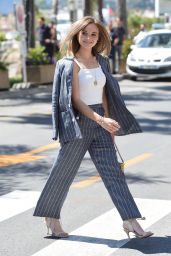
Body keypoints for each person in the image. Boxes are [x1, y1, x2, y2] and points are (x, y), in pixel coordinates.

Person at [33, 16, 153, 239]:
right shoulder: (69, 64)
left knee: (114, 174)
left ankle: (131, 221)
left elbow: (105, 95)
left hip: (101, 122)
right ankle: (51, 217)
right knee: (63, 174)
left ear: (99, 37)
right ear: (77, 35)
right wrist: (100, 119)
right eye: (84, 33)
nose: (88, 38)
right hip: (79, 123)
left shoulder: (102, 61)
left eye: (93, 34)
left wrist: (109, 123)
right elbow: (76, 100)